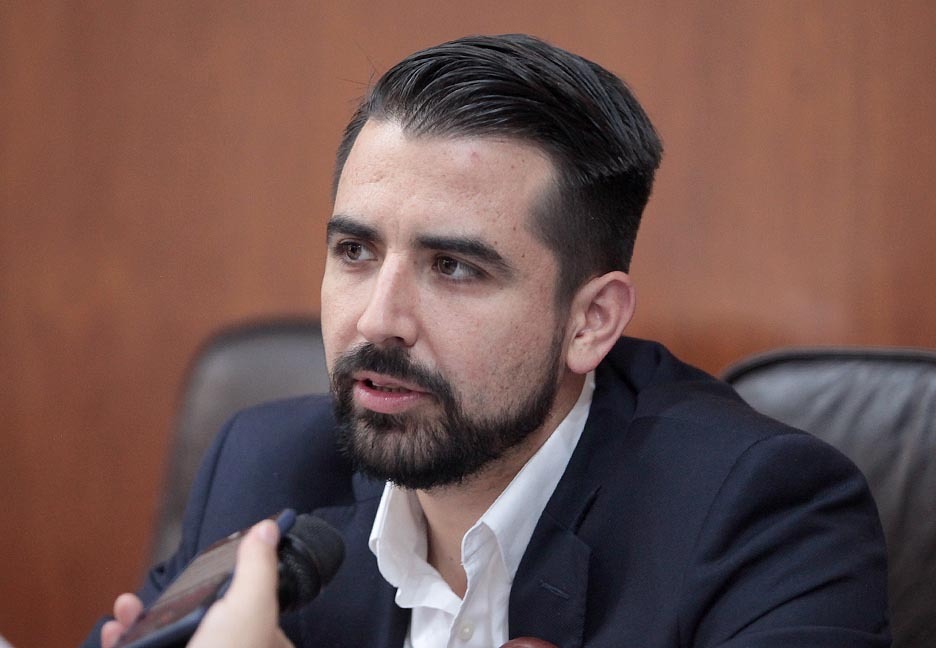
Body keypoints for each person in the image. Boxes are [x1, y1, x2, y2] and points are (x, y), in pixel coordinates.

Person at [86, 34, 890, 647]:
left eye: (454, 267)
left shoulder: (762, 516)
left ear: (590, 322)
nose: (378, 320)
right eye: (356, 252)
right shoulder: (261, 470)